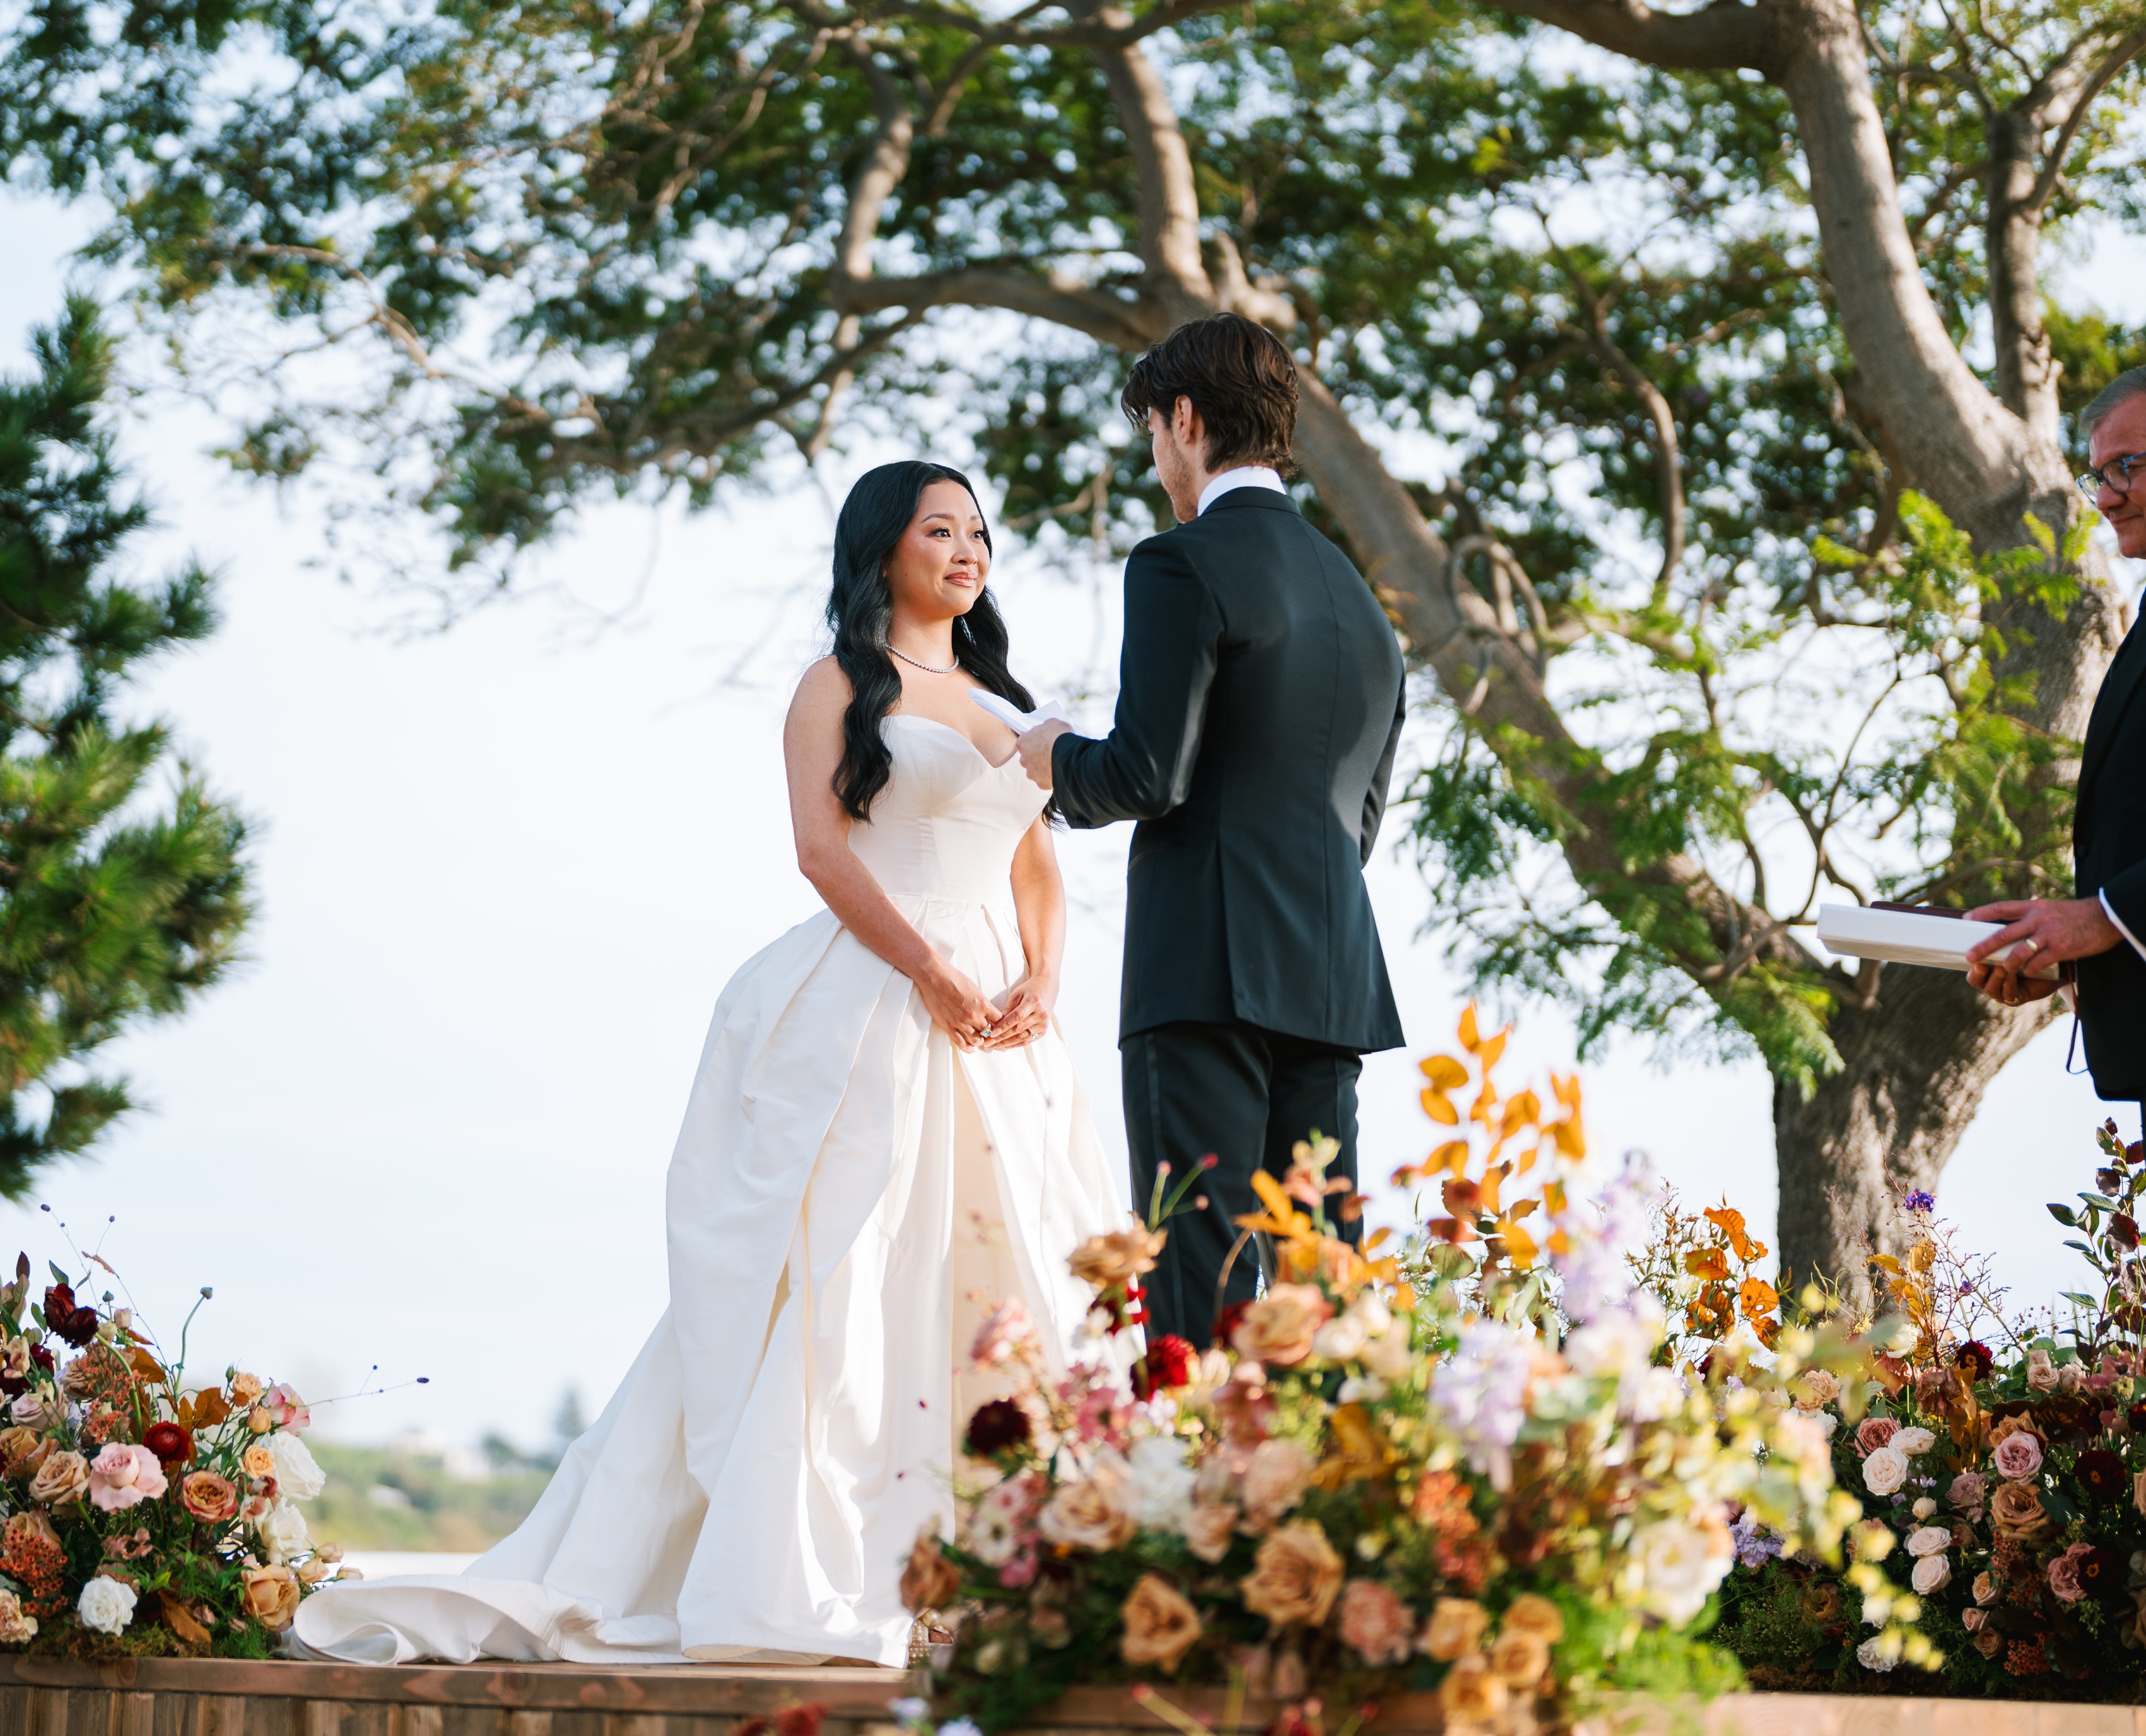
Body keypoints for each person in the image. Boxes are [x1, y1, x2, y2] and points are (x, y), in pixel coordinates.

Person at [294, 462, 1122, 1668]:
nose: (967, 548)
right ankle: (809, 1560)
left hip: (1000, 1026)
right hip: (883, 998)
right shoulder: (836, 684)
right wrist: (928, 973)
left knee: (1003, 1275)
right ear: (882, 549)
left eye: (978, 531)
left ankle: (995, 1563)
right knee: (845, 1264)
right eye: (938, 528)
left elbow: (1038, 866)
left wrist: (1038, 984)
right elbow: (822, 855)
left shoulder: (1008, 700)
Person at [1009, 315, 1405, 1348]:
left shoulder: (1181, 563)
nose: (1155, 460)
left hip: (1204, 975)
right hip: (1330, 979)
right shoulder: (1365, 607)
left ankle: (1200, 1501)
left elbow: (1143, 772)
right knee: (1322, 1285)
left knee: (1201, 1274)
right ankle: (1326, 1494)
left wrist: (1049, 753)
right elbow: (1356, 821)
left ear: (1184, 419)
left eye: (1152, 433)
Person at [1966, 360, 2146, 1428]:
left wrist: (2104, 916)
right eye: (2096, 475)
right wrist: (2071, 949)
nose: (2107, 494)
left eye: (2126, 466)